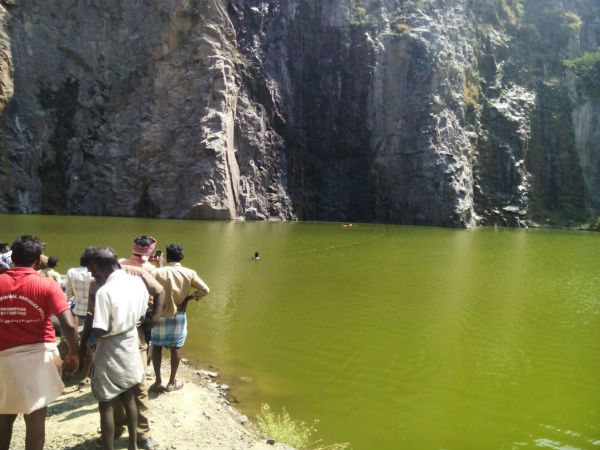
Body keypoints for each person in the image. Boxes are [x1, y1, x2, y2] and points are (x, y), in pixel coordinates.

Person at [0, 235, 79, 450]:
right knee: (35, 418)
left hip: (3, 359)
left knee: (4, 416)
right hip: (38, 358)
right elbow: (69, 325)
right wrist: (73, 353)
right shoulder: (47, 285)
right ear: (37, 260)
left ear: (12, 258)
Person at [86, 246, 148, 450]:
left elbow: (101, 330)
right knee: (129, 396)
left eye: (91, 268)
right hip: (130, 341)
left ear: (99, 266)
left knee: (106, 402)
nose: (91, 272)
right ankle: (132, 445)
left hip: (110, 348)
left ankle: (108, 447)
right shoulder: (137, 282)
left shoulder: (105, 292)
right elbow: (142, 313)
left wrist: (91, 323)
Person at [150, 244, 209, 393]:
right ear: (181, 257)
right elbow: (205, 289)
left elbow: (149, 289)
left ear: (167, 256)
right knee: (175, 347)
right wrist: (188, 298)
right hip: (178, 314)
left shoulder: (156, 272)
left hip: (159, 313)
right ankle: (171, 382)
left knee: (156, 346)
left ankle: (157, 381)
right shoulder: (189, 273)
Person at [66, 250, 95, 388]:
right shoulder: (95, 274)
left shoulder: (71, 272)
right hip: (93, 313)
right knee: (91, 344)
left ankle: (73, 367)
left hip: (77, 312)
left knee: (75, 341)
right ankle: (84, 376)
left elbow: (68, 294)